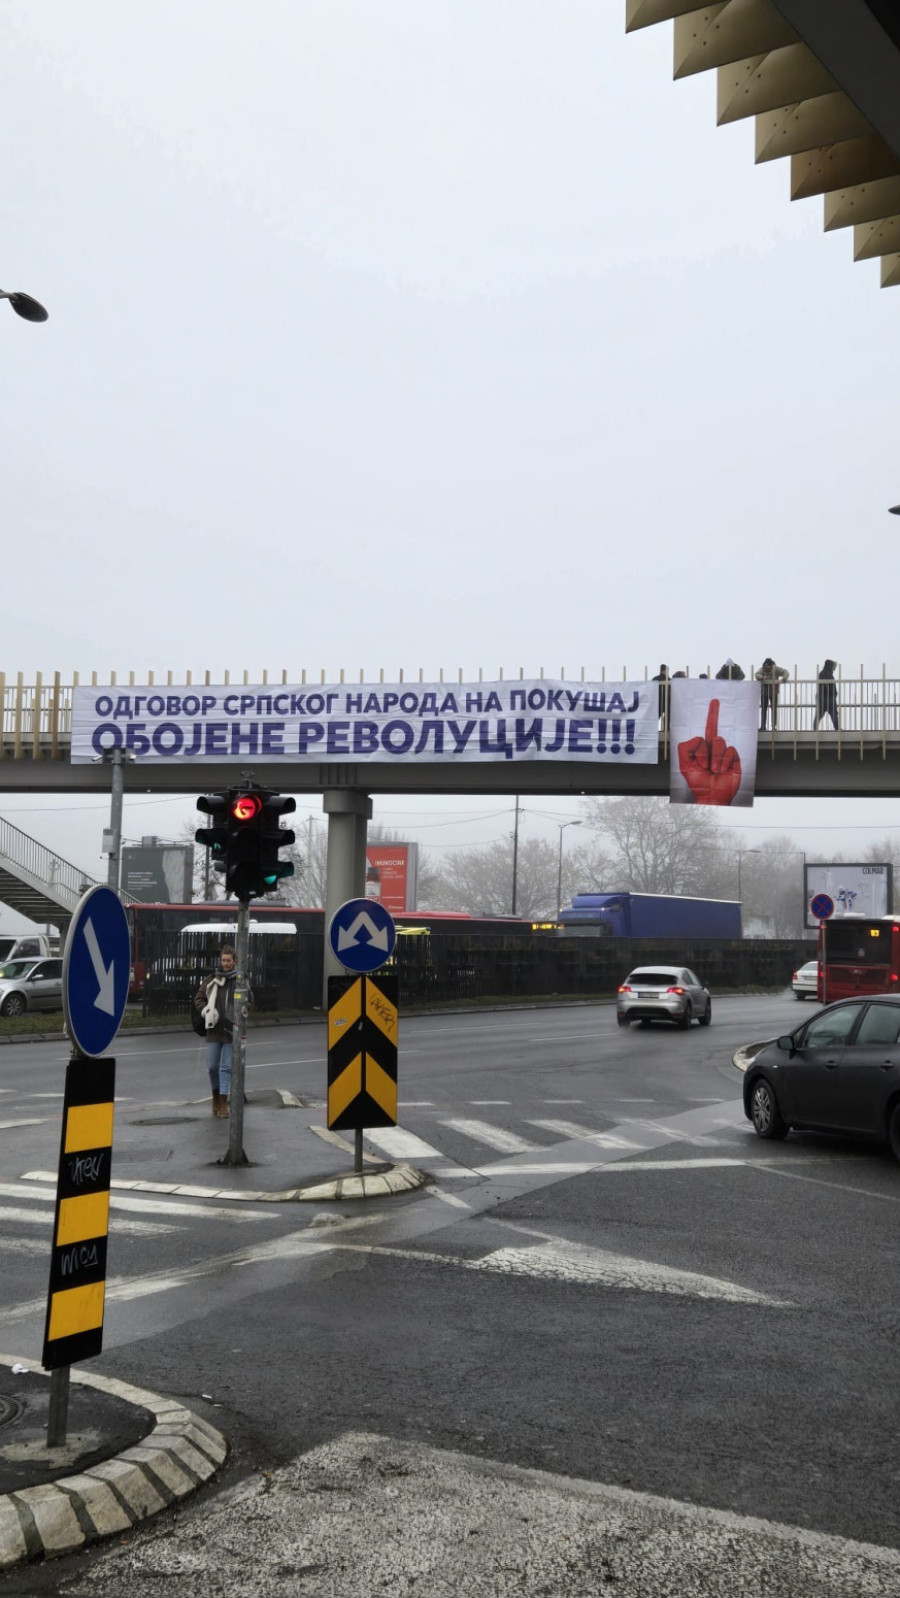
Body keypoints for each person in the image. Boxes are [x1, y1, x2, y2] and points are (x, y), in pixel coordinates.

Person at [194, 944, 243, 1118]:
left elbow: (250, 1001)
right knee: (212, 1067)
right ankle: (215, 1097)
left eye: (229, 961)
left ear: (234, 961)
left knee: (226, 1068)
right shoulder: (212, 979)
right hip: (213, 1030)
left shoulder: (239, 980)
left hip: (231, 1031)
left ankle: (223, 1103)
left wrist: (241, 1009)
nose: (226, 964)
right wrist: (206, 1010)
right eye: (223, 960)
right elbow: (198, 998)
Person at [755, 657, 789, 730]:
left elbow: (786, 672)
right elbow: (757, 674)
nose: (767, 669)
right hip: (764, 692)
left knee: (774, 709)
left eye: (768, 667)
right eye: (766, 667)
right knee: (764, 710)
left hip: (774, 692)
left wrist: (783, 679)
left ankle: (774, 726)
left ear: (771, 666)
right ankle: (763, 726)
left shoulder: (775, 669)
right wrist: (762, 677)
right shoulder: (763, 669)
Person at [816, 660, 840, 730]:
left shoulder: (823, 673)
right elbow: (827, 686)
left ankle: (815, 729)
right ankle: (837, 729)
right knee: (833, 714)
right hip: (828, 698)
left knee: (820, 715)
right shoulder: (825, 674)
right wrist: (833, 693)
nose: (834, 668)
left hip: (825, 698)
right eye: (834, 666)